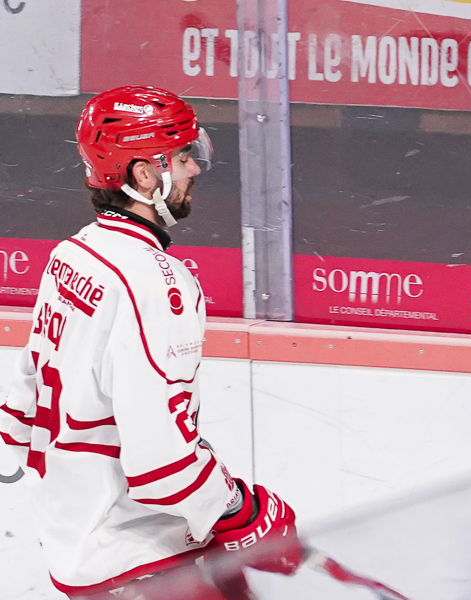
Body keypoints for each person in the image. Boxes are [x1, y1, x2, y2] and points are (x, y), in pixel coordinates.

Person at [0, 86, 303, 599]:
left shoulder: (71, 254)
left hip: (78, 538)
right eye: (183, 157)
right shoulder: (157, 282)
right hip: (139, 554)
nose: (195, 169)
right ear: (143, 174)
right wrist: (236, 508)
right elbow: (158, 461)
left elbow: (23, 401)